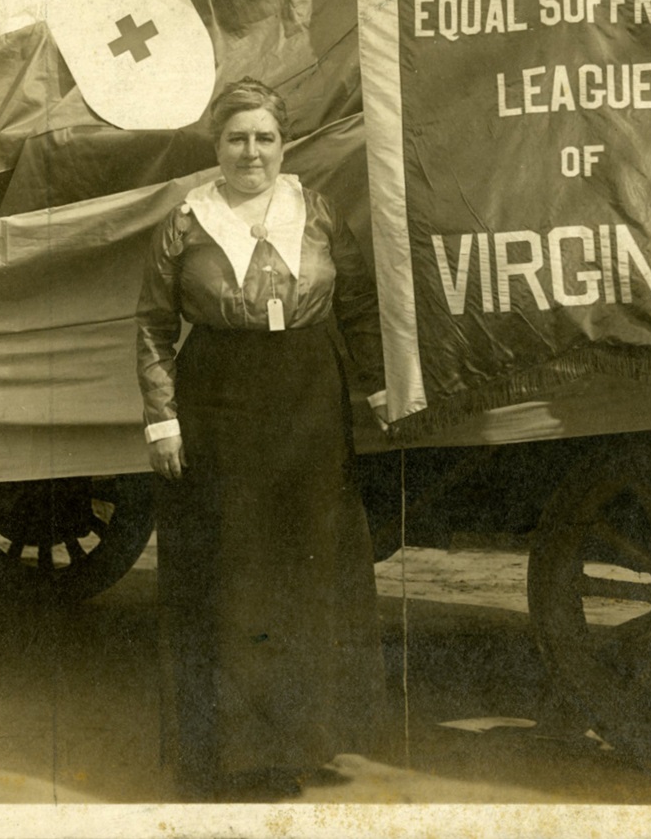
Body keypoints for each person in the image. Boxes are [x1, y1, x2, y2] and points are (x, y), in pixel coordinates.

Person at [136, 78, 389, 800]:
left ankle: (303, 741)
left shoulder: (315, 211)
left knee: (306, 570)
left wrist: (373, 383)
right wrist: (162, 417)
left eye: (264, 137)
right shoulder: (186, 222)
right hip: (219, 398)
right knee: (236, 572)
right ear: (215, 146)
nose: (251, 151)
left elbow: (360, 301)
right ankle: (234, 753)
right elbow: (153, 325)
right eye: (236, 138)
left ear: (283, 143)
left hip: (308, 394)